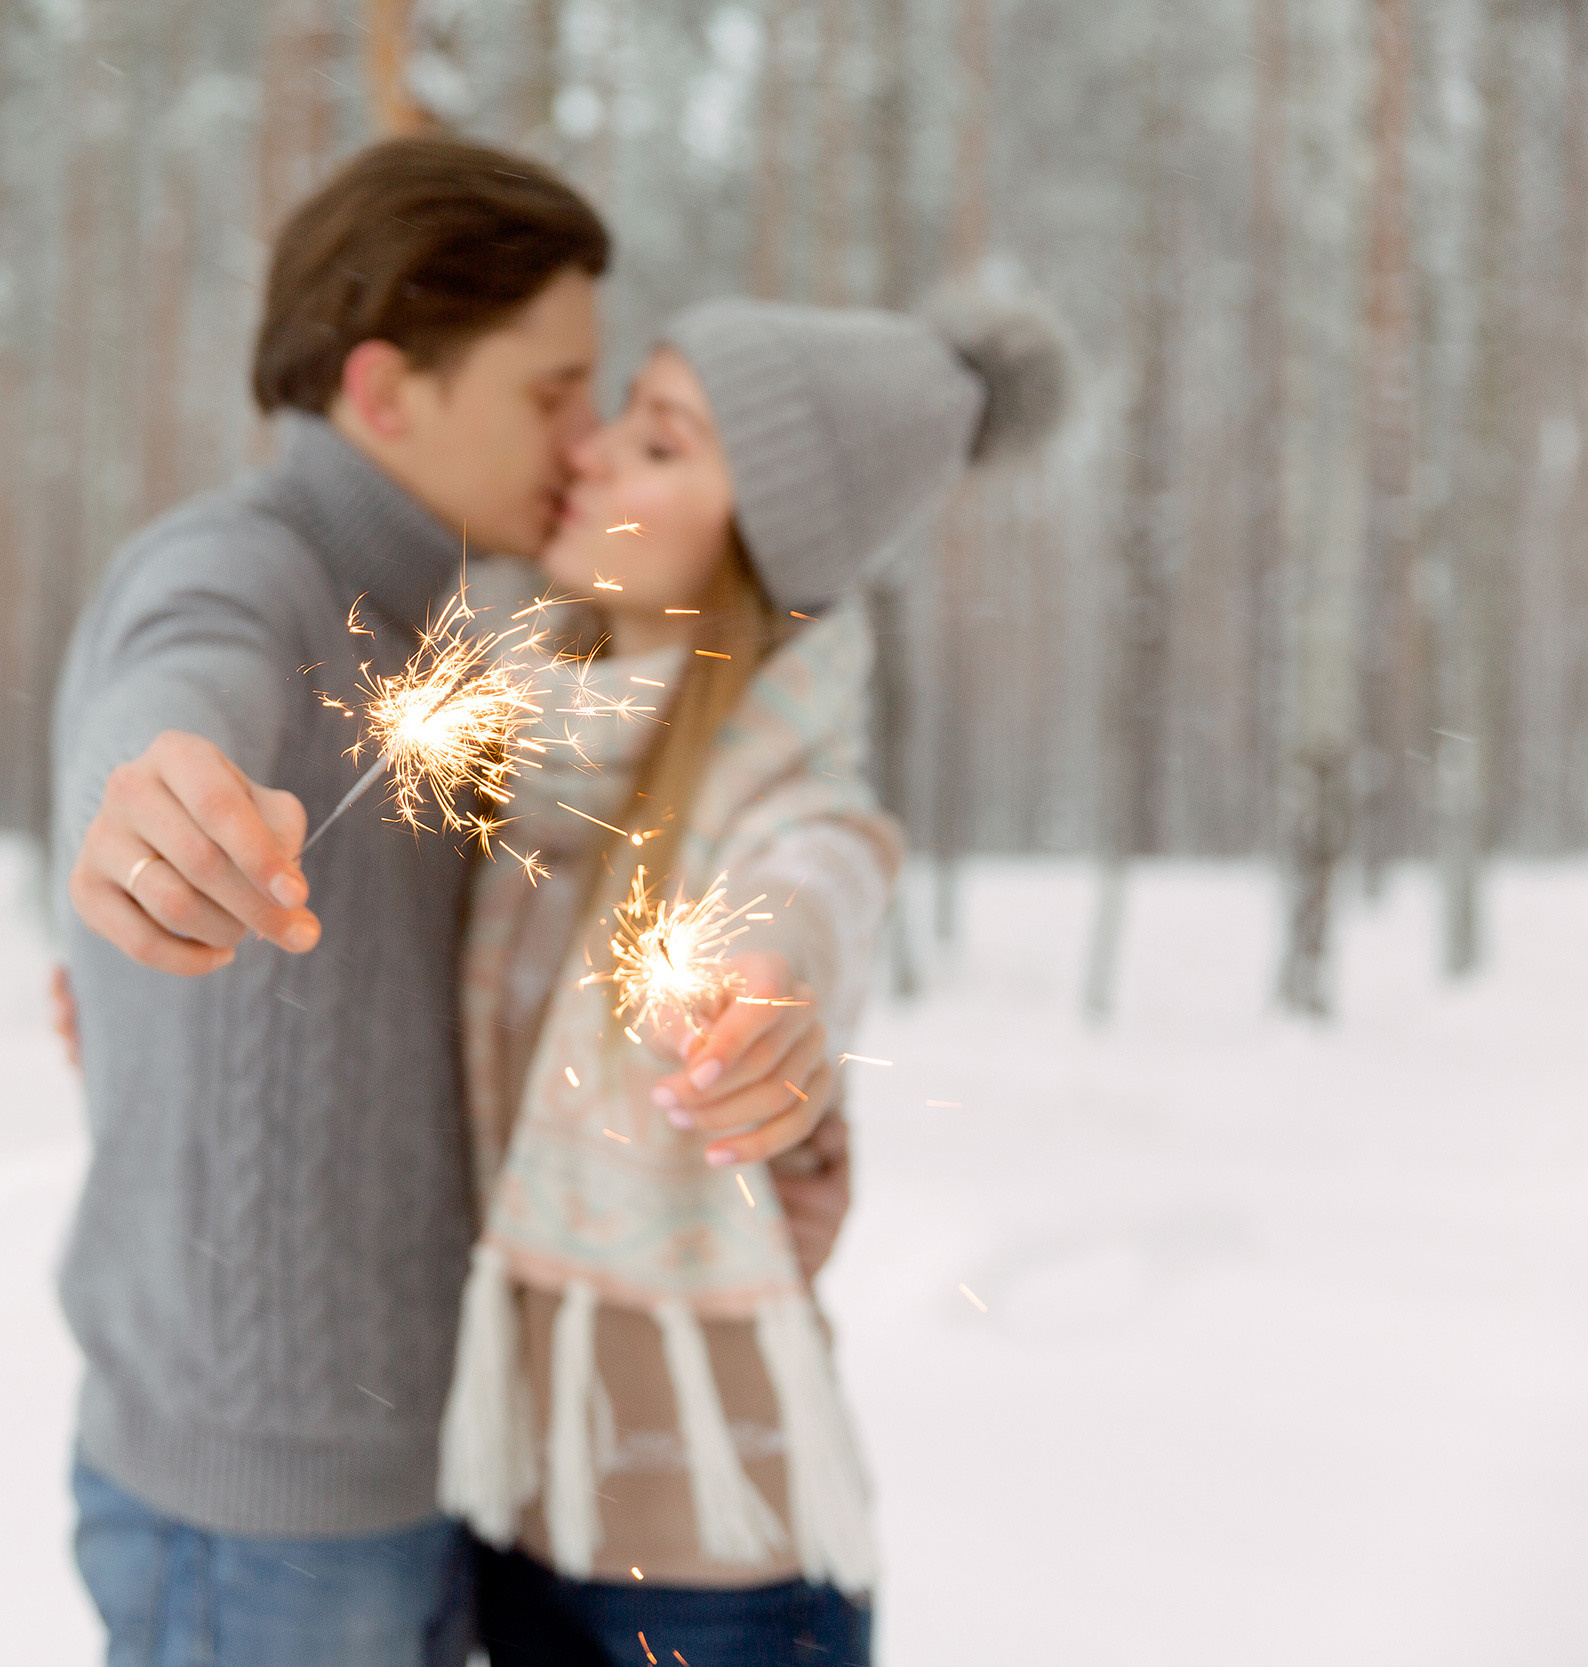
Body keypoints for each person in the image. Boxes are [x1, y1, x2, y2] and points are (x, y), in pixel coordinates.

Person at [49, 136, 843, 1665]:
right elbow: (174, 690)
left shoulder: (500, 633)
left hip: (444, 1473)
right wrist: (148, 802)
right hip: (263, 1516)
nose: (586, 435)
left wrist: (781, 1111)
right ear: (384, 392)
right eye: (551, 392)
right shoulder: (243, 572)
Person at [440, 293, 1071, 1666]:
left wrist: (770, 986)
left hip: (718, 1581)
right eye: (626, 416)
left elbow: (813, 888)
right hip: (510, 1534)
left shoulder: (788, 794)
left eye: (663, 446)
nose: (596, 454)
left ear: (759, 541)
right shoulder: (527, 756)